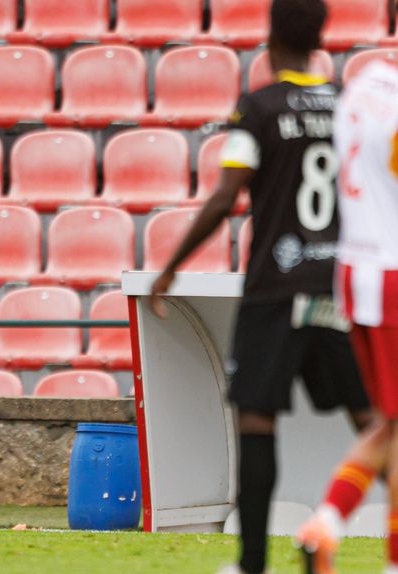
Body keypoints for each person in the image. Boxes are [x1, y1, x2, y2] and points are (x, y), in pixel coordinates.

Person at [148, 1, 374, 572]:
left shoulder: (259, 107)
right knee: (372, 422)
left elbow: (227, 195)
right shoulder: (348, 106)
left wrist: (171, 266)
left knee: (255, 417)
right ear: (321, 38)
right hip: (335, 288)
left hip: (275, 287)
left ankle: (251, 564)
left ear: (270, 41)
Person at [294, 58, 398, 574]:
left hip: (355, 271)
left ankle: (327, 526)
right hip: (394, 273)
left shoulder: (362, 85)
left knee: (390, 423)